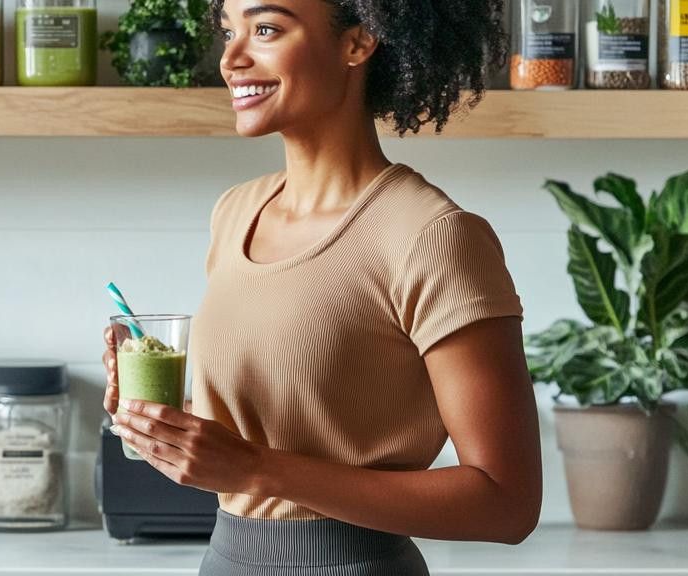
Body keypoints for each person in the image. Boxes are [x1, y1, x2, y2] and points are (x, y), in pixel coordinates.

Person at [102, 0, 543, 572]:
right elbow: (292, 424)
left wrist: (255, 470)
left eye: (264, 29)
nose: (231, 58)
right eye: (229, 31)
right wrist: (159, 422)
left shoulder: (431, 235)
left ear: (357, 44)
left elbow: (507, 504)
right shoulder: (236, 212)